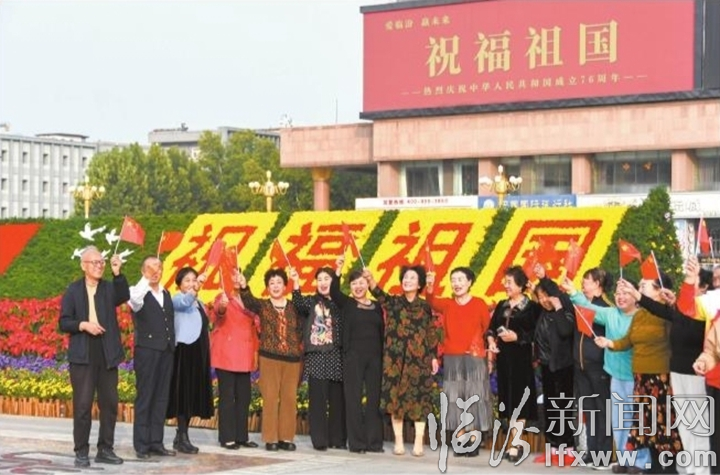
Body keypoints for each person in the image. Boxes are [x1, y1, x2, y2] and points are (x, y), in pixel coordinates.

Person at [595, 273, 683, 474]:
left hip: (659, 377)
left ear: (659, 291)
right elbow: (627, 341)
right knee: (645, 424)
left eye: (644, 286)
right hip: (641, 377)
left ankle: (668, 468)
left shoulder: (666, 312)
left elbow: (674, 317)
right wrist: (609, 343)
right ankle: (651, 466)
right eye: (640, 285)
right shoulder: (640, 314)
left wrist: (666, 301)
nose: (639, 288)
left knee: (662, 424)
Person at [59, 246, 128, 468]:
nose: (99, 266)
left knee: (109, 403)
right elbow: (64, 322)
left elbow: (123, 295)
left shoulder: (108, 288)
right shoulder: (73, 290)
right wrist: (83, 325)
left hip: (107, 351)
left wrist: (117, 273)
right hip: (83, 353)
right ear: (83, 266)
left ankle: (105, 449)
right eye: (95, 262)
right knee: (82, 405)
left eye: (102, 262)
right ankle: (81, 451)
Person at [563, 276, 639, 474]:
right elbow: (588, 309)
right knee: (619, 421)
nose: (620, 297)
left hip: (635, 376)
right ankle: (623, 460)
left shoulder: (642, 317)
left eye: (625, 293)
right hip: (615, 375)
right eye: (618, 293)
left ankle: (637, 460)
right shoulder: (611, 313)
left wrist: (611, 344)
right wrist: (573, 292)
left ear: (636, 295)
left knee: (634, 420)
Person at [365, 265, 440, 458]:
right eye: (405, 277)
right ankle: (398, 441)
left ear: (420, 283)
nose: (407, 281)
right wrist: (370, 279)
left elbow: (431, 333)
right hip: (395, 360)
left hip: (419, 360)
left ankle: (418, 442)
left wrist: (433, 357)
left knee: (419, 400)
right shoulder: (394, 302)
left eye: (412, 278)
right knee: (395, 399)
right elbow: (378, 293)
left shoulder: (424, 306)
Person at [425, 267, 492, 457]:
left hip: (474, 357)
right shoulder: (447, 304)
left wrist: (487, 356)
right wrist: (430, 285)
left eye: (461, 279)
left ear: (469, 282)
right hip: (452, 357)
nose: (456, 283)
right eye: (453, 280)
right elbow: (431, 301)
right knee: (455, 399)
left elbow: (487, 330)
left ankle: (474, 439)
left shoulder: (479, 304)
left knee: (475, 398)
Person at [240, 268, 304, 452]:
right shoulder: (263, 305)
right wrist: (244, 286)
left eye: (279, 283)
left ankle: (286, 437)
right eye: (272, 283)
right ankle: (271, 438)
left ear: (285, 286)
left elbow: (301, 323)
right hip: (269, 358)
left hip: (292, 359)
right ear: (267, 287)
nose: (275, 286)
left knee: (289, 398)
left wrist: (297, 282)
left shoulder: (294, 307)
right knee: (270, 397)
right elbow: (249, 302)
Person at [486, 265, 540, 463]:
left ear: (520, 285)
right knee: (508, 401)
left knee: (520, 401)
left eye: (509, 282)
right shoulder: (502, 305)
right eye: (505, 282)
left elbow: (536, 333)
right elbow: (491, 329)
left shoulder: (531, 307)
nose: (506, 285)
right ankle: (512, 442)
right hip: (504, 360)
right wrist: (491, 342)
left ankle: (515, 445)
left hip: (521, 360)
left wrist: (517, 337)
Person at [330, 258, 385, 454]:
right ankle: (357, 443)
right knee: (353, 399)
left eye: (361, 282)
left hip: (375, 357)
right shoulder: (347, 304)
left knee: (374, 399)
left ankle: (374, 442)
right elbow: (334, 292)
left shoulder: (377, 306)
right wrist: (338, 269)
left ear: (367, 284)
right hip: (353, 357)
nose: (358, 286)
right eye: (354, 284)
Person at [291, 265, 347, 452]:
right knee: (318, 401)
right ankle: (320, 440)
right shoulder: (311, 301)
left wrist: (338, 272)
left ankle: (337, 439)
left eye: (327, 279)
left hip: (336, 356)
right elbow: (298, 303)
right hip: (316, 356)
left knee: (337, 400)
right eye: (320, 279)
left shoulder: (341, 303)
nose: (323, 283)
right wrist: (296, 282)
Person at [128, 256, 176, 459]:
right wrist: (146, 279)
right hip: (147, 351)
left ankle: (156, 441)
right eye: (150, 268)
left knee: (161, 397)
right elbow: (135, 301)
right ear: (143, 271)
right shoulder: (137, 292)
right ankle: (142, 444)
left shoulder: (165, 292)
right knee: (146, 396)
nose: (155, 271)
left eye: (158, 268)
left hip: (166, 350)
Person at [166, 267, 215, 454]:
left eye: (194, 280)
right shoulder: (177, 299)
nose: (192, 283)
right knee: (183, 395)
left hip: (198, 353)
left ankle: (181, 436)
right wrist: (195, 288)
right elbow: (185, 302)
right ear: (179, 284)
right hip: (184, 352)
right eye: (187, 280)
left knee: (192, 394)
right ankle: (182, 436)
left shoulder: (199, 303)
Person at [211, 267, 260, 450]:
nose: (236, 279)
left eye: (238, 275)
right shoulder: (223, 297)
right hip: (226, 354)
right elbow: (217, 313)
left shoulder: (248, 299)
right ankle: (227, 437)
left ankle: (241, 436)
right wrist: (222, 307)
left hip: (245, 354)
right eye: (231, 276)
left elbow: (258, 313)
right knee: (227, 397)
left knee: (244, 397)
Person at [532, 272, 576, 462]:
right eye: (540, 297)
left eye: (546, 296)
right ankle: (553, 447)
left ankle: (568, 447)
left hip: (563, 366)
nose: (544, 300)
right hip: (546, 365)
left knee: (563, 407)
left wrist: (545, 279)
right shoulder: (542, 313)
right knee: (549, 408)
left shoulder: (565, 309)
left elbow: (565, 331)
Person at [573, 267, 614, 467]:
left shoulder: (605, 308)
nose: (583, 283)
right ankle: (592, 451)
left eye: (587, 280)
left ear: (598, 283)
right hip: (581, 365)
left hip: (599, 365)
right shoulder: (581, 305)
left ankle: (604, 454)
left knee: (602, 409)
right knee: (589, 409)